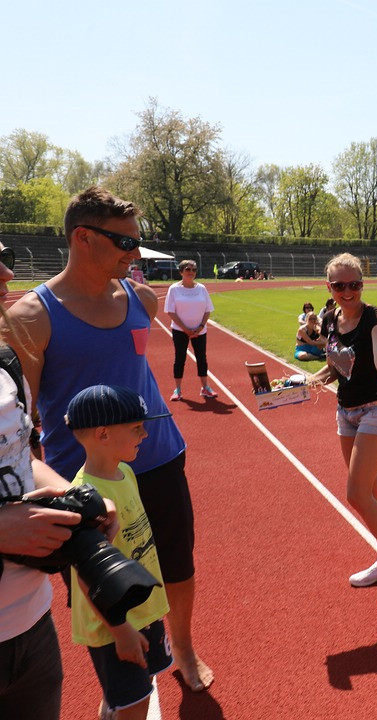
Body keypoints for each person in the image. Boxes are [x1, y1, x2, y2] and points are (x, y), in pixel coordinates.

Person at [2, 186, 213, 692]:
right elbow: (20, 421)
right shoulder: (30, 318)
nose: (135, 254)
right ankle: (120, 687)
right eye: (124, 243)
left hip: (160, 456)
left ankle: (182, 646)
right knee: (102, 583)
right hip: (85, 477)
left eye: (137, 242)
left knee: (178, 562)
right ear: (83, 238)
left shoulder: (141, 298)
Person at [0, 241, 117, 720]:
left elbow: (22, 458)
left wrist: (76, 494)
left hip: (30, 623)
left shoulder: (6, 365)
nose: (6, 274)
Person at [309, 253, 377, 607]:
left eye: (354, 284)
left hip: (376, 409)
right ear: (330, 288)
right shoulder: (329, 319)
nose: (348, 291)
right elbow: (337, 366)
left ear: (362, 285)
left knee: (356, 494)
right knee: (372, 488)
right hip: (346, 411)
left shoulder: (375, 317)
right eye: (340, 286)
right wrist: (314, 378)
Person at [66, 385, 173, 720]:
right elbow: (87, 575)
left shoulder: (125, 472)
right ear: (103, 434)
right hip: (115, 624)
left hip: (142, 611)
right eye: (136, 428)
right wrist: (119, 629)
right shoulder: (88, 498)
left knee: (130, 695)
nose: (145, 433)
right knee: (134, 704)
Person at [164, 259, 217, 401]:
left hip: (200, 331)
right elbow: (170, 311)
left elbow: (207, 310)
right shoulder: (174, 289)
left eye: (194, 270)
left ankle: (205, 387)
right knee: (180, 358)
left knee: (202, 358)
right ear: (181, 272)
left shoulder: (202, 289)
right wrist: (186, 329)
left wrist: (200, 327)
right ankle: (178, 389)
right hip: (180, 331)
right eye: (188, 269)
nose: (191, 272)